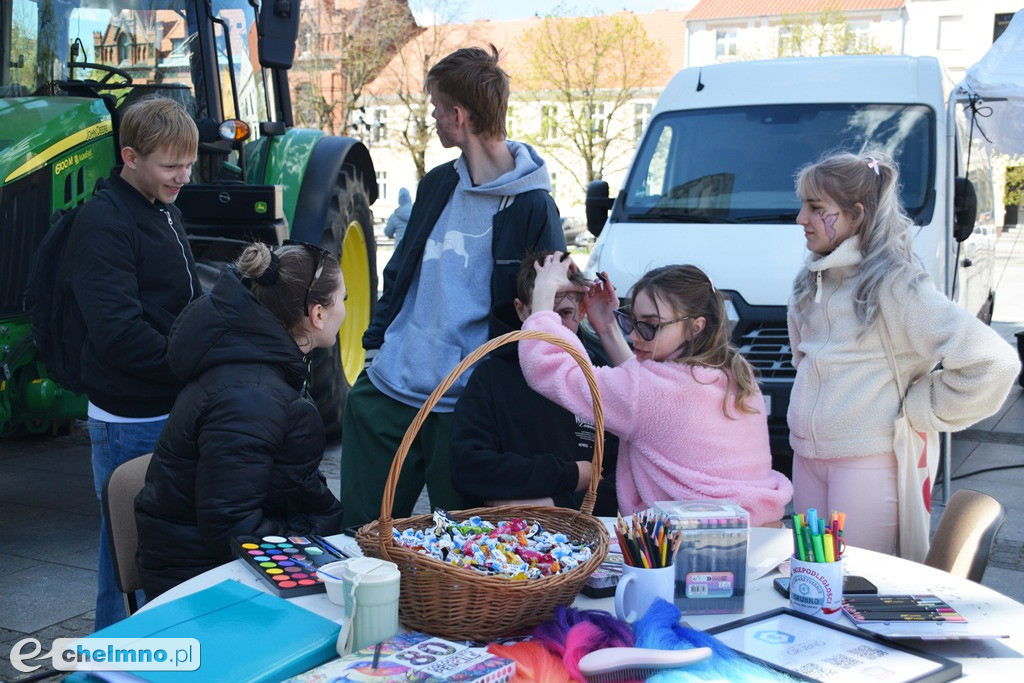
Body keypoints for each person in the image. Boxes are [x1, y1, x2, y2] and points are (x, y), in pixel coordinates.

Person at [339, 45, 564, 529]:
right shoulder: (437, 183)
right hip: (388, 392)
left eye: (436, 108)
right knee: (359, 539)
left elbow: (550, 310)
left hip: (465, 407)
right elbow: (399, 272)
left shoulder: (533, 206)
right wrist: (374, 348)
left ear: (458, 116)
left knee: (464, 550)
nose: (433, 118)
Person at [787, 151, 1020, 553]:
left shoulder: (896, 286)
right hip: (806, 456)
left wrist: (921, 408)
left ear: (856, 215)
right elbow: (804, 360)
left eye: (816, 207)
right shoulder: (811, 282)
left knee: (860, 580)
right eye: (803, 206)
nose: (801, 218)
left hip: (867, 462)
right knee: (811, 576)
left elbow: (993, 362)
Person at [135, 241, 346, 598]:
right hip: (201, 580)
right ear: (318, 314)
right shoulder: (251, 398)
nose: (345, 309)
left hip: (219, 560)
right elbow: (230, 527)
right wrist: (309, 543)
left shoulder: (262, 367)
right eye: (343, 299)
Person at [519, 255, 792, 526]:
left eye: (650, 325)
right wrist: (607, 327)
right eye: (631, 321)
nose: (634, 336)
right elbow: (646, 390)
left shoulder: (649, 391)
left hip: (693, 540)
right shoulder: (734, 372)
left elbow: (546, 367)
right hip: (758, 528)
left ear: (695, 327)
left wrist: (543, 296)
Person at [69, 97, 202, 629]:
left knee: (152, 548)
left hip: (164, 403)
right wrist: (191, 362)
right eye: (171, 166)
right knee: (126, 560)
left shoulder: (161, 206)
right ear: (130, 157)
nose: (184, 177)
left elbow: (179, 300)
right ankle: (116, 653)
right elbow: (119, 334)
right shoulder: (104, 221)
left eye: (188, 164)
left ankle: (136, 648)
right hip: (129, 418)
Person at [450, 251, 619, 515]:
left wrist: (554, 505)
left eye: (565, 313)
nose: (553, 327)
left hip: (582, 530)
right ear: (521, 310)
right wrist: (574, 474)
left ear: (582, 311)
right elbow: (469, 468)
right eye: (542, 312)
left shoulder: (599, 378)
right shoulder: (490, 377)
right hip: (501, 531)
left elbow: (622, 483)